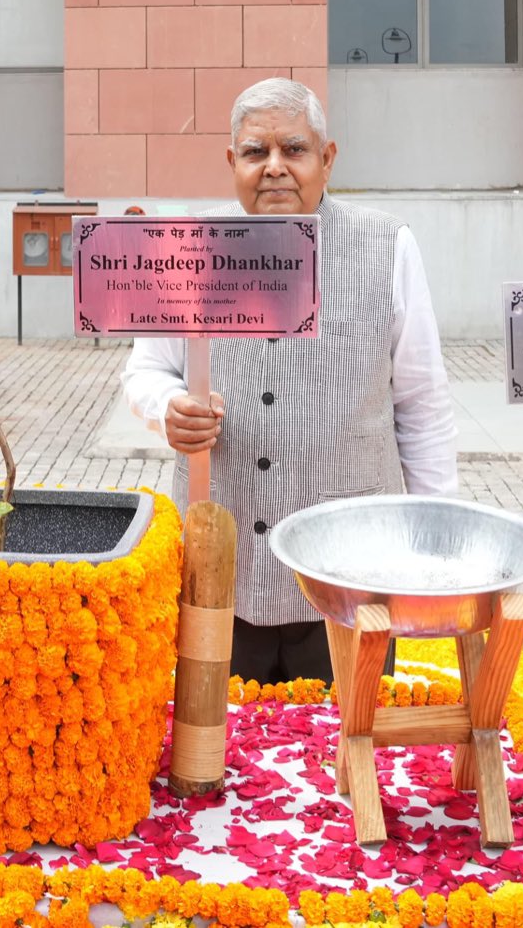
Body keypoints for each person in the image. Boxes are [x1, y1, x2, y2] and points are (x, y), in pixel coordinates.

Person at [121, 78, 460, 681]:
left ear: (327, 160)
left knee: (348, 756)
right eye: (256, 152)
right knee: (220, 755)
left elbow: (423, 403)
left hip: (352, 567)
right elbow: (146, 371)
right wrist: (169, 405)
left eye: (294, 150)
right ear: (232, 162)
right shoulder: (190, 250)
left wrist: (435, 539)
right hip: (222, 564)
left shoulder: (387, 247)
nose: (274, 167)